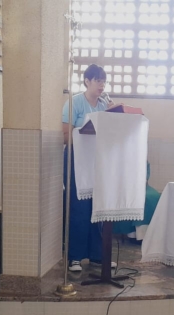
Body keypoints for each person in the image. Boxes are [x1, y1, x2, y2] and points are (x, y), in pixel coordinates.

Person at [62, 64, 115, 273]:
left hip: (98, 162)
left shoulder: (103, 105)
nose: (102, 85)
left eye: (104, 81)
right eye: (98, 81)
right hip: (77, 161)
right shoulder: (74, 102)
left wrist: (112, 114)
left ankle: (97, 255)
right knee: (79, 209)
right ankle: (74, 257)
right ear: (87, 81)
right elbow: (65, 135)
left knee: (97, 209)